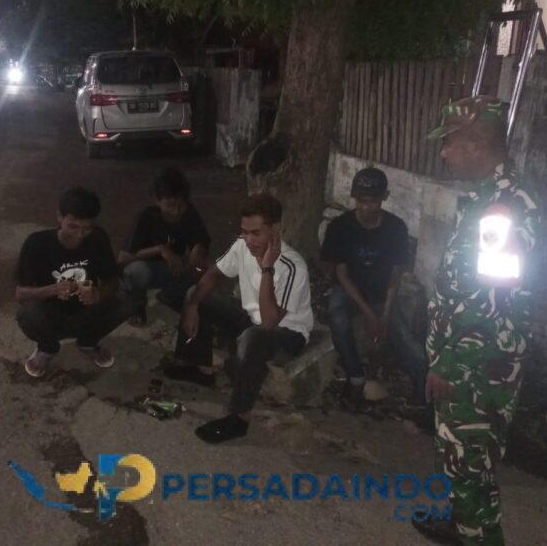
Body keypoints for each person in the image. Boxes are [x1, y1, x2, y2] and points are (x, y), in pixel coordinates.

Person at [412, 96, 539, 546]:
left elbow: (493, 301)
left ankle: (476, 535)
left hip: (475, 364)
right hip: (465, 357)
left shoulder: (503, 209)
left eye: (449, 142)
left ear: (476, 143)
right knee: (458, 458)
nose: (443, 153)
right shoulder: (486, 198)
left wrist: (449, 363)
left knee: (469, 467)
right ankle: (458, 524)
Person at [164, 193, 313, 444]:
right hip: (251, 319)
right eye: (244, 232)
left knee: (253, 337)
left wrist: (267, 268)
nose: (249, 240)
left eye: (256, 233)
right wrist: (192, 306)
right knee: (194, 294)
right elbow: (213, 274)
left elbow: (269, 323)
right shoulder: (242, 246)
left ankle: (239, 418)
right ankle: (198, 367)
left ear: (276, 229)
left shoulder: (292, 266)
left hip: (287, 334)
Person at [320, 167, 410, 400]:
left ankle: (424, 396)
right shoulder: (340, 226)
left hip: (381, 291)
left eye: (373, 201)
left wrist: (385, 315)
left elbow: (396, 275)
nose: (366, 207)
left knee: (407, 341)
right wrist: (370, 314)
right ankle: (355, 377)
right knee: (338, 318)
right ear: (354, 197)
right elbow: (341, 274)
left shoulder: (396, 228)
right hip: (349, 289)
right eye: (361, 201)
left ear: (385, 198)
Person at [15, 187, 123, 377]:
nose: (80, 234)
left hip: (85, 309)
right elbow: (20, 294)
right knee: (28, 312)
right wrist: (53, 289)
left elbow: (113, 280)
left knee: (127, 300)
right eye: (73, 226)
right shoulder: (37, 243)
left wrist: (98, 294)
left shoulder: (97, 238)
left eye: (87, 228)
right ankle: (47, 347)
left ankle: (88, 342)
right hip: (50, 311)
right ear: (59, 217)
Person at [119, 168, 210, 324]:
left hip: (173, 269)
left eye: (180, 205)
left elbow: (201, 241)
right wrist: (161, 250)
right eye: (170, 206)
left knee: (205, 272)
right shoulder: (147, 216)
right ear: (157, 201)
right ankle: (136, 307)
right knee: (137, 271)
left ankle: (169, 298)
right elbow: (123, 258)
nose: (176, 211)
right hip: (147, 269)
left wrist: (197, 251)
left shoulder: (189, 213)